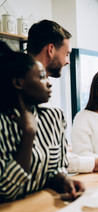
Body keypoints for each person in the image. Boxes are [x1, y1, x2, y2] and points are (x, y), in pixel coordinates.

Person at [0, 42, 84, 202]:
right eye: (41, 77)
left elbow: (55, 170)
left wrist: (64, 181)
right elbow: (6, 190)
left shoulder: (55, 118)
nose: (49, 82)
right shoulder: (3, 123)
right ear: (18, 83)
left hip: (45, 207)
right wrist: (28, 135)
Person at [27, 19, 98, 173]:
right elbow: (45, 159)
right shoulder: (24, 93)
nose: (68, 61)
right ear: (51, 50)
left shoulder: (41, 89)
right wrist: (96, 163)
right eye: (67, 54)